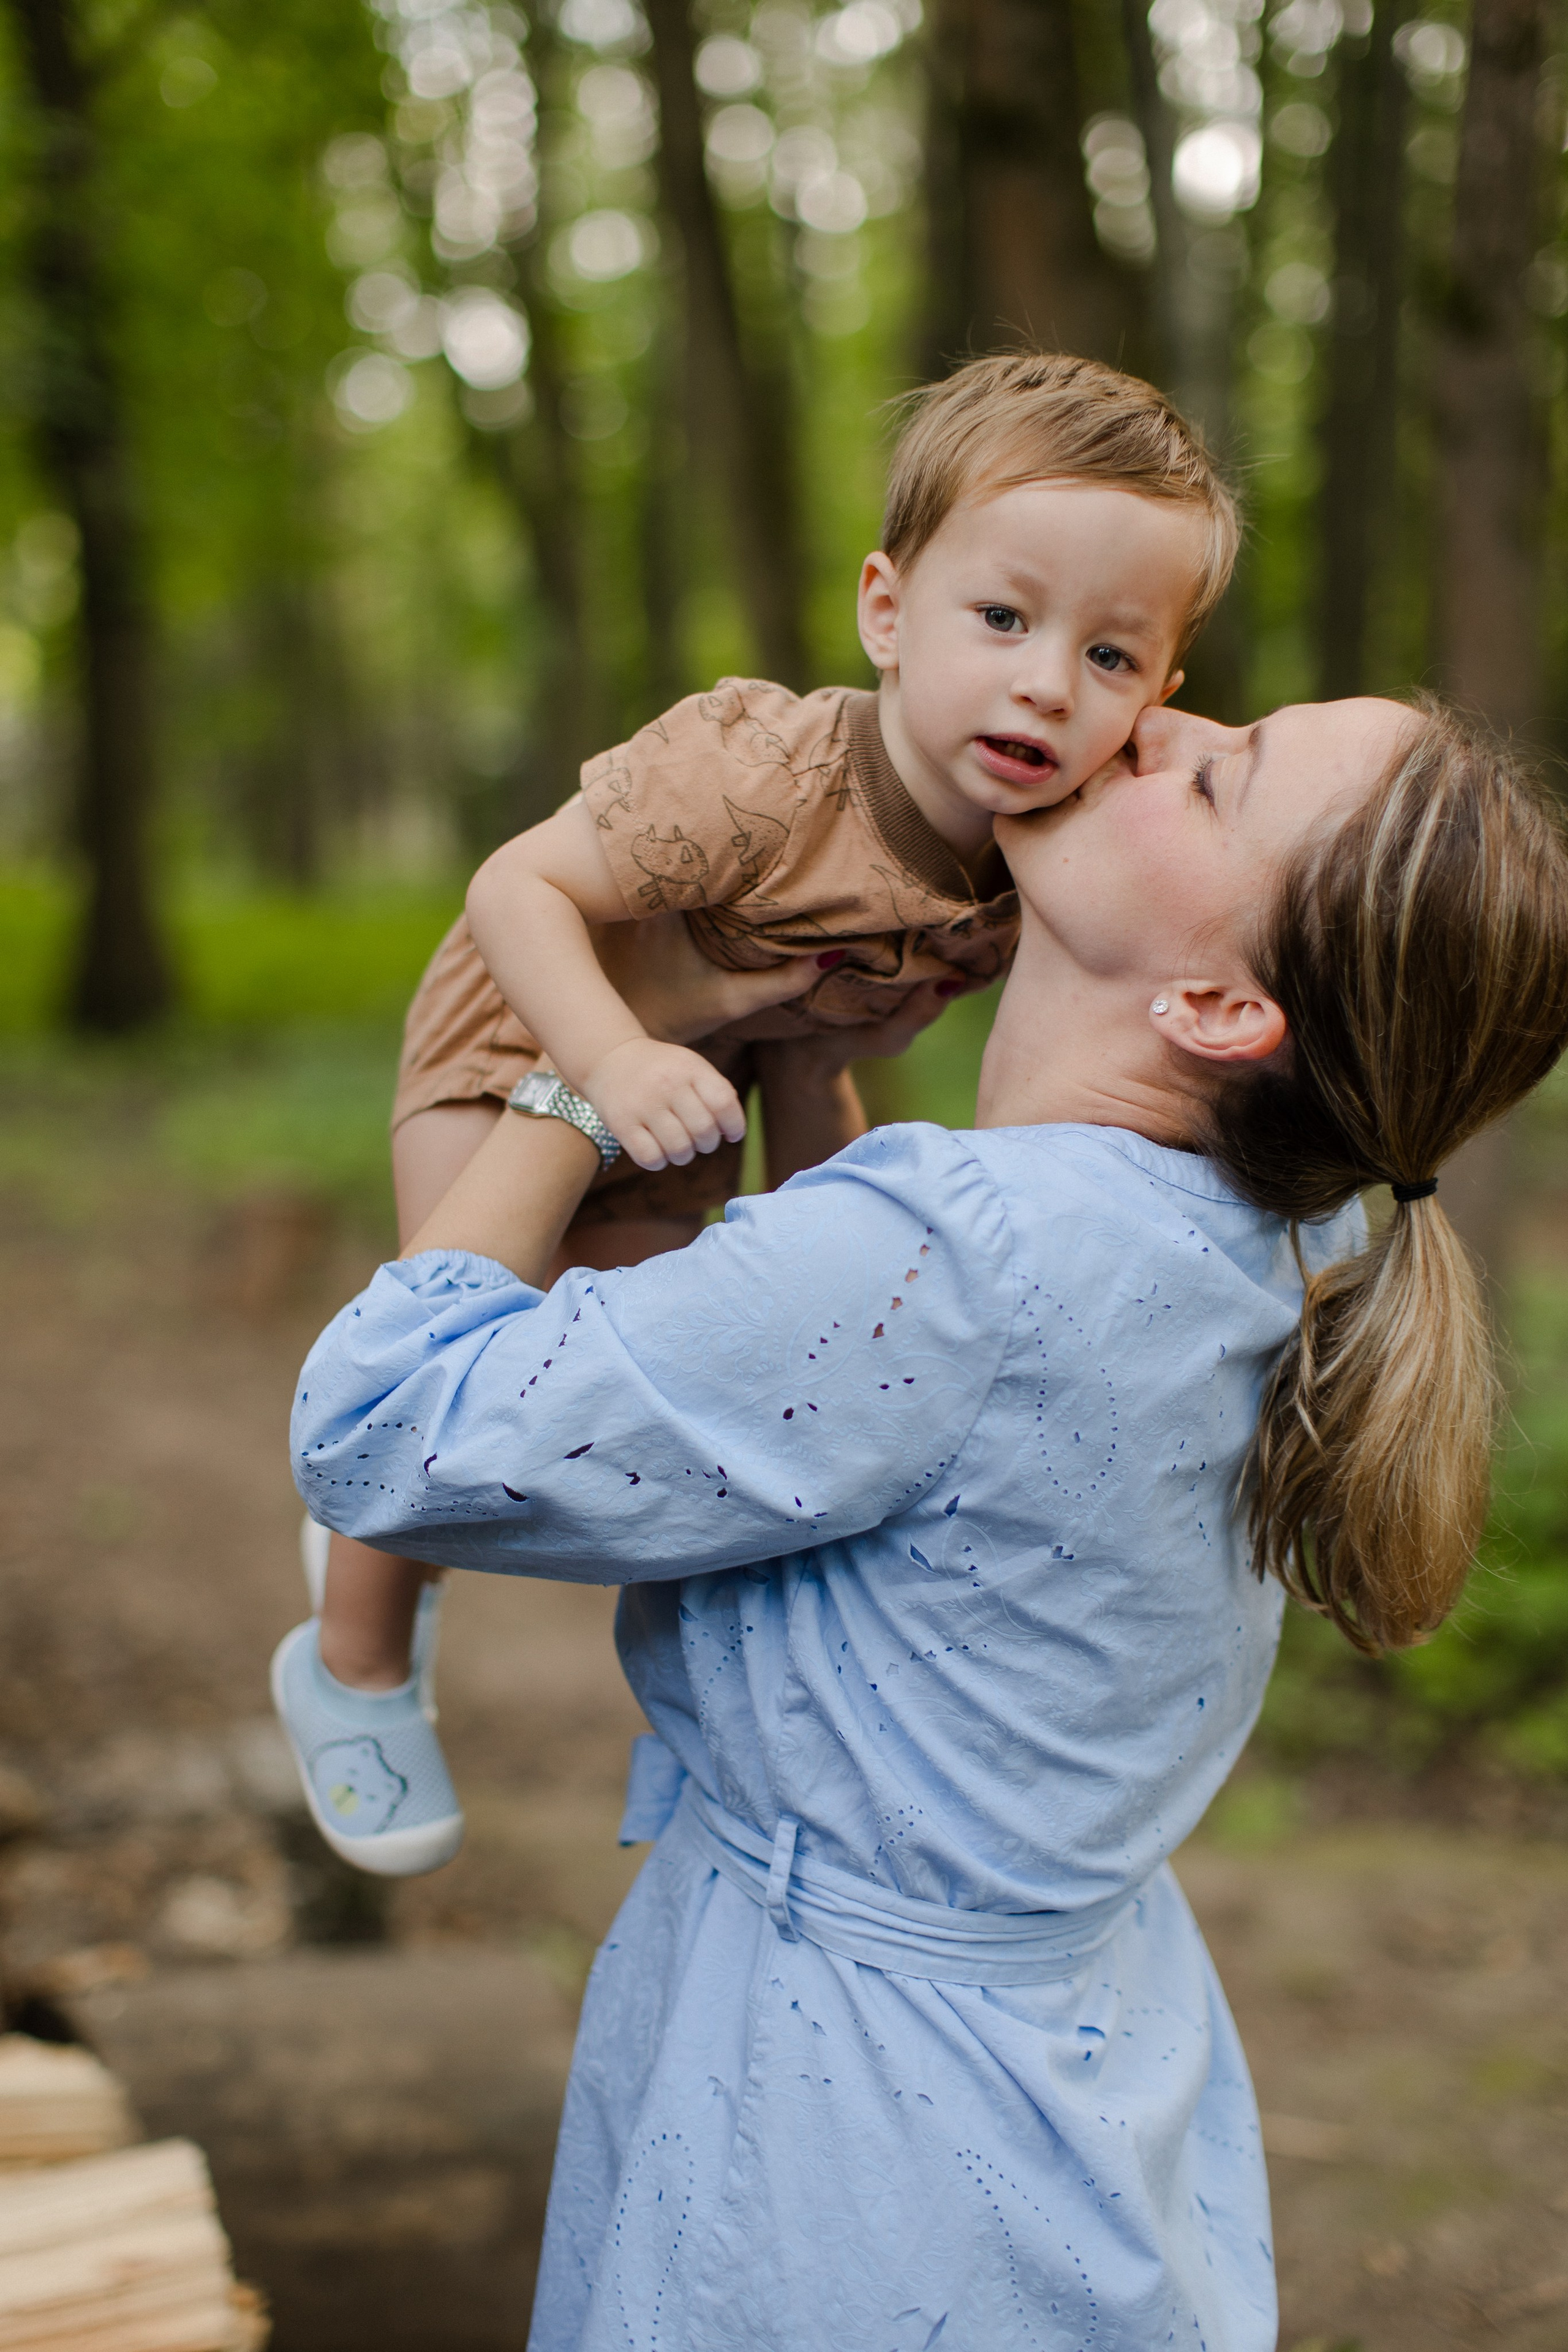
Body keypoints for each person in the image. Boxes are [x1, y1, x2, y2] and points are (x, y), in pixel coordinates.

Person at [286, 690, 1568, 2348]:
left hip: (842, 2153)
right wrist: (811, 1078)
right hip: (1076, 2091)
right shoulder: (1283, 1247)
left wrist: (577, 1067)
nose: (1158, 723)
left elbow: (380, 1426)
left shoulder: (961, 1255)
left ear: (1214, 1001)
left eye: (1224, 775)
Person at [275, 351, 1240, 1873]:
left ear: (1159, 692)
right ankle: (354, 1655)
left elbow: (819, 1059)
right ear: (886, 609)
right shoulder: (760, 777)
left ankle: (713, 1716)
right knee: (453, 1339)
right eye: (1000, 618)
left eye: (1110, 657)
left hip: (707, 1076)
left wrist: (824, 1220)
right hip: (525, 1029)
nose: (1047, 683)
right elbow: (516, 886)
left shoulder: (1029, 868)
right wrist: (601, 1058)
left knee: (652, 1365)